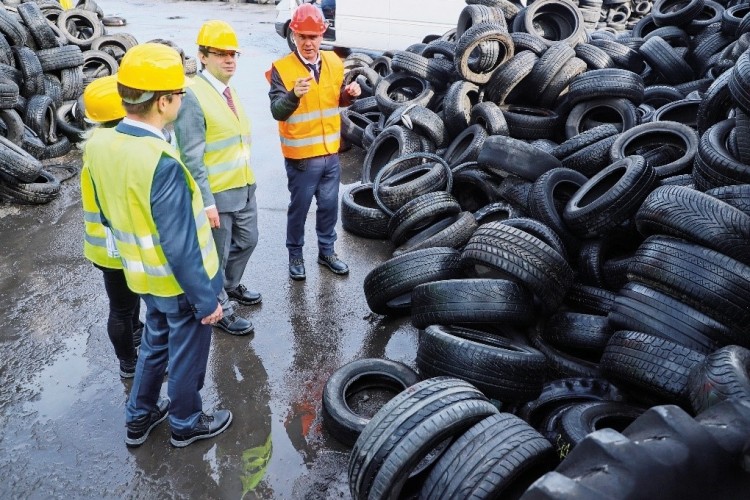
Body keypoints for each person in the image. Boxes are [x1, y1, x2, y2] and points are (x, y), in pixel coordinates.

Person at [84, 43, 232, 448]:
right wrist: (207, 301)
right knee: (186, 355)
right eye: (180, 94)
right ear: (164, 101)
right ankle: (185, 422)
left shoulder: (100, 144)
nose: (183, 99)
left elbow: (109, 212)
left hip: (140, 274)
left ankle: (140, 417)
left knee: (153, 345)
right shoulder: (160, 159)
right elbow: (180, 244)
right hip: (179, 282)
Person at [174, 20, 258, 337]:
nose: (229, 60)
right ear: (203, 56)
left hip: (245, 187)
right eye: (221, 53)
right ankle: (221, 306)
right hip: (218, 195)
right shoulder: (194, 96)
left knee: (249, 241)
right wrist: (206, 202)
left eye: (233, 54)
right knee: (216, 258)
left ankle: (231, 286)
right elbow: (191, 155)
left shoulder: (227, 90)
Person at [267, 3, 360, 280]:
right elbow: (276, 111)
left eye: (313, 36)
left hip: (330, 155)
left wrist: (349, 95)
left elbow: (335, 99)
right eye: (303, 36)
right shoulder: (282, 69)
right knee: (299, 209)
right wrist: (294, 94)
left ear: (322, 36)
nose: (308, 43)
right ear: (293, 35)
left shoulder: (333, 62)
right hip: (301, 159)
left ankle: (327, 252)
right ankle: (295, 256)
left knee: (329, 206)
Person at [80, 75, 143, 379]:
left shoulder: (96, 145)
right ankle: (129, 364)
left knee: (127, 303)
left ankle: (134, 335)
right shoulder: (118, 149)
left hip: (103, 246)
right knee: (121, 308)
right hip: (116, 245)